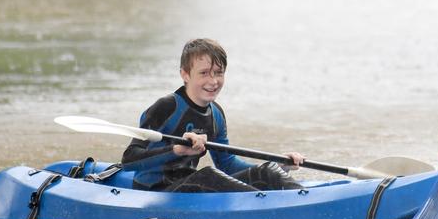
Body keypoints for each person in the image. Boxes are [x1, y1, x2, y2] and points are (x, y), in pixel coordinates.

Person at [122, 38, 306, 193]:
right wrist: (177, 150)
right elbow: (129, 160)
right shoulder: (166, 107)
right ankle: (265, 206)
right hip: (154, 191)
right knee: (207, 175)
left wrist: (280, 165)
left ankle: (300, 198)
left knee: (268, 171)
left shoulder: (216, 114)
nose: (213, 81)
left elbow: (227, 165)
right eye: (204, 73)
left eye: (219, 73)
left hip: (188, 185)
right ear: (185, 74)